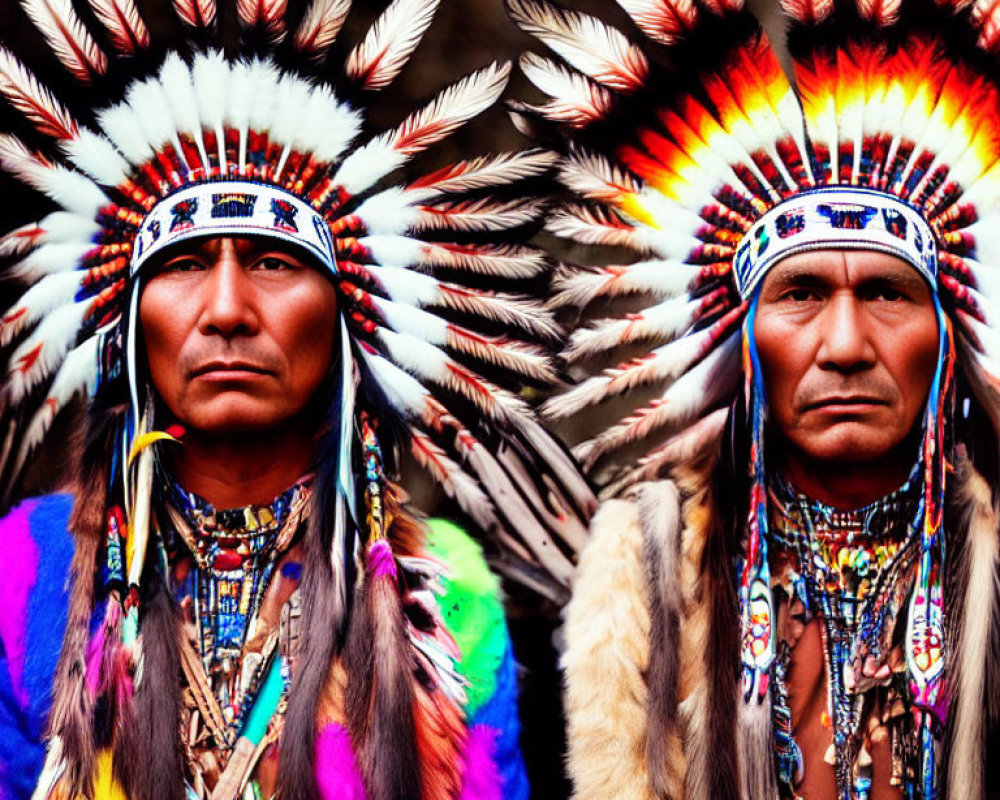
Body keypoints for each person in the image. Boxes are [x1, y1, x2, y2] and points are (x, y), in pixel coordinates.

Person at [0, 1, 593, 798]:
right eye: (181, 266)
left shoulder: (448, 596)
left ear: (347, 317)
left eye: (275, 262)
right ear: (129, 318)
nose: (227, 310)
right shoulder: (22, 572)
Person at [508, 0, 1000, 797]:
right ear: (742, 340)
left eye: (888, 294)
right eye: (800, 294)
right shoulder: (650, 573)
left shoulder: (991, 561)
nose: (844, 346)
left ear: (948, 335)